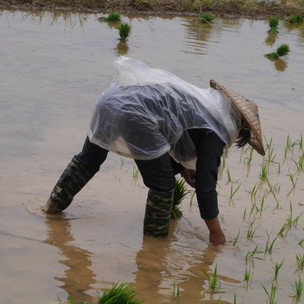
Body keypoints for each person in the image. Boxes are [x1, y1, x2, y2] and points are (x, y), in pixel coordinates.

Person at [43, 57, 265, 246]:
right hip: (135, 112)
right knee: (162, 187)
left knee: (89, 159)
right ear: (241, 128)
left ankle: (51, 208)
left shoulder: (201, 106)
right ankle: (154, 249)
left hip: (111, 99)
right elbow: (206, 186)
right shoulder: (216, 130)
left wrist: (184, 170)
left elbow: (168, 139)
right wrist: (215, 232)